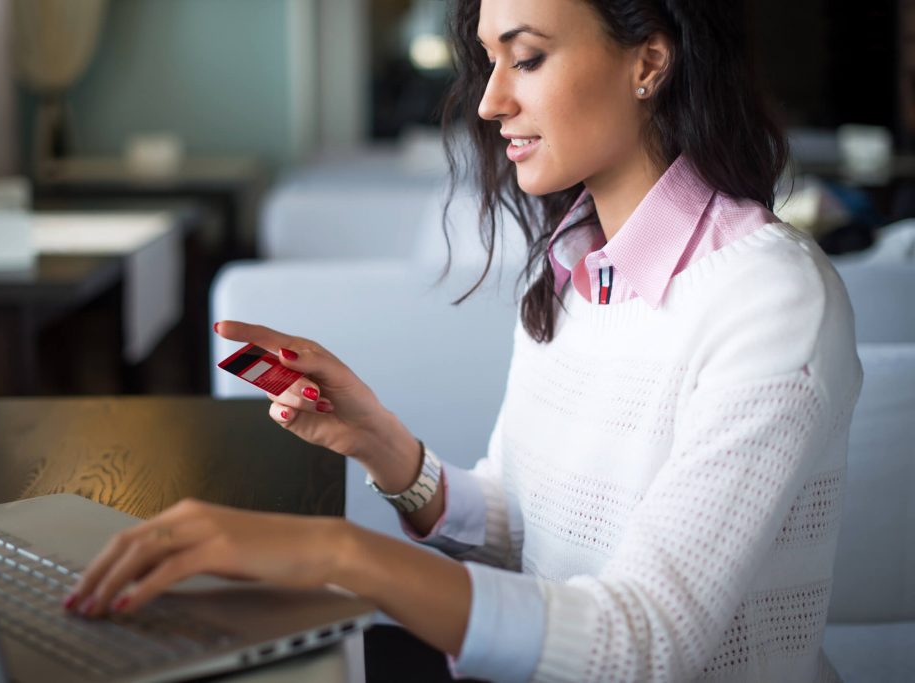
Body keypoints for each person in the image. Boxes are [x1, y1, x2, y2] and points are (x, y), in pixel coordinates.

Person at [63, 0, 863, 681]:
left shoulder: (769, 298)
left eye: (527, 58)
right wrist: (386, 446)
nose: (489, 102)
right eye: (488, 62)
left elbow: (643, 643)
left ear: (648, 62)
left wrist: (343, 556)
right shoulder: (575, 263)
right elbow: (527, 531)